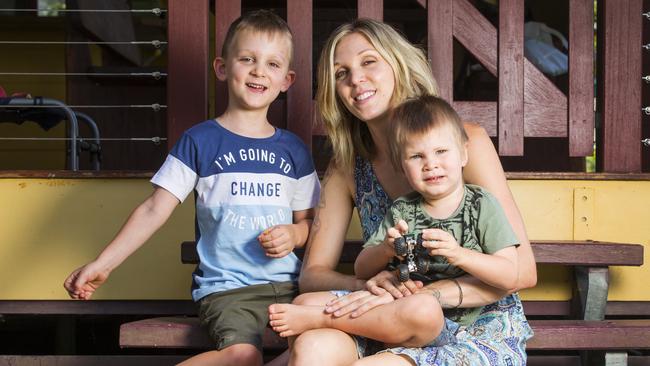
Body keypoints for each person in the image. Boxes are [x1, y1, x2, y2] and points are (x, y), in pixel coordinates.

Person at [63, 10, 320, 366]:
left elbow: (311, 225)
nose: (259, 71)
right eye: (247, 59)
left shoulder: (294, 150)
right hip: (229, 290)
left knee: (319, 350)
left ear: (287, 80)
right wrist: (104, 263)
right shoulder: (199, 141)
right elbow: (155, 209)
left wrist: (293, 233)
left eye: (272, 64)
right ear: (222, 67)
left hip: (292, 289)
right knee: (242, 356)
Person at [283, 18, 537, 366]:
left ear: (398, 64)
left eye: (368, 61)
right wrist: (371, 288)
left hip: (474, 324)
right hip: (385, 317)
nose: (356, 79)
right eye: (341, 74)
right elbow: (313, 275)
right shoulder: (347, 168)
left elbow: (522, 271)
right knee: (312, 348)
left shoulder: (464, 143)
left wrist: (422, 295)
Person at [268, 95, 525, 353]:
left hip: (447, 320)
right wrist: (385, 250)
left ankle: (323, 319)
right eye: (416, 156)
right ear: (402, 166)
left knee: (421, 308)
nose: (431, 164)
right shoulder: (403, 208)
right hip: (394, 307)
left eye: (441, 152)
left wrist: (459, 255)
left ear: (463, 155)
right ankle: (322, 317)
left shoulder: (481, 205)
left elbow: (509, 275)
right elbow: (362, 269)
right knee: (305, 301)